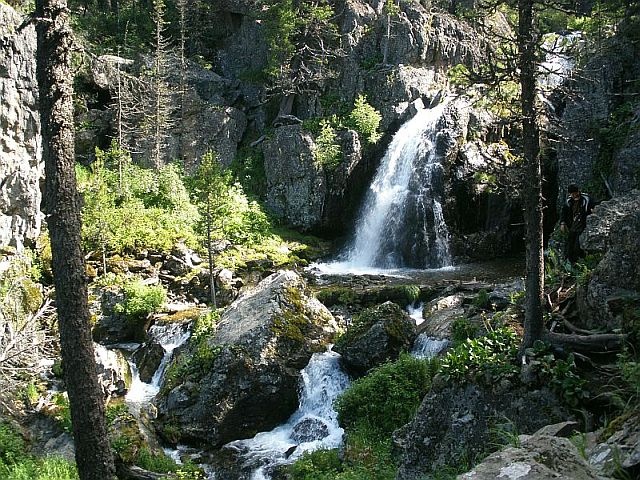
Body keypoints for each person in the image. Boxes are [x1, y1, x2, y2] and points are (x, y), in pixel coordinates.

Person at [560, 184, 596, 263]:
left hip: (583, 226)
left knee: (577, 246)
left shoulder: (586, 199)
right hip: (573, 226)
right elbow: (564, 212)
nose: (573, 195)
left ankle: (580, 262)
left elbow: (593, 207)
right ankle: (571, 264)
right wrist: (562, 223)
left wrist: (592, 211)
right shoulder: (569, 201)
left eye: (574, 193)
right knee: (569, 246)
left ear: (578, 191)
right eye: (571, 193)